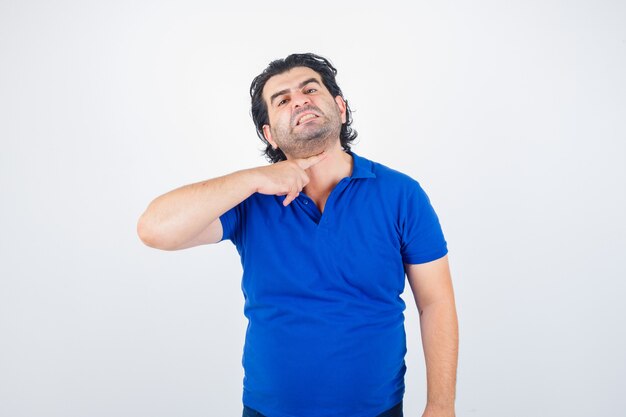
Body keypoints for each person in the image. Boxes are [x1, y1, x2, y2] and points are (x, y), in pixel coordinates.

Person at [137, 53, 458, 417]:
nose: (300, 100)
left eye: (310, 89)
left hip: (378, 409)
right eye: (283, 99)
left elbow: (435, 302)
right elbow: (154, 229)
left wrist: (441, 405)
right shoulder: (248, 199)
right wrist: (254, 178)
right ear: (269, 134)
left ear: (340, 107)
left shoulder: (401, 194)